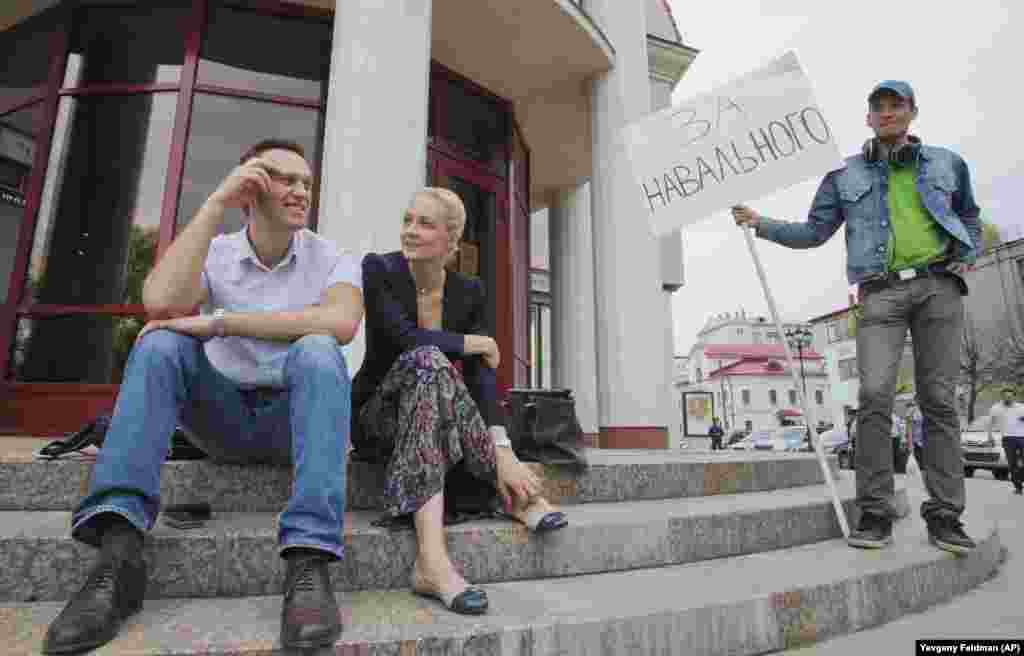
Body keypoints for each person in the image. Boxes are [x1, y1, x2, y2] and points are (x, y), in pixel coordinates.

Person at [42, 139, 364, 654]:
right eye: (285, 179)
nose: (301, 190)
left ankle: (309, 561)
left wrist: (221, 322)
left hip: (289, 423)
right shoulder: (216, 253)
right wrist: (215, 203)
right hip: (220, 421)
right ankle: (119, 558)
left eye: (306, 182)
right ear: (250, 188)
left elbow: (343, 322)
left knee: (320, 350)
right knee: (163, 341)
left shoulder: (333, 259)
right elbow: (161, 302)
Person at [732, 80, 981, 554]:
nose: (887, 113)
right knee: (872, 395)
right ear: (867, 117)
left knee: (939, 400)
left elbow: (969, 215)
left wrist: (969, 253)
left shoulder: (948, 163)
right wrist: (759, 222)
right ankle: (875, 512)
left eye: (896, 106)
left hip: (938, 287)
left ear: (911, 112)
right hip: (880, 294)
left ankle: (946, 516)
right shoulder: (844, 174)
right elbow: (813, 232)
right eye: (878, 108)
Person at [352, 187, 566, 616]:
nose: (410, 231)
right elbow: (402, 338)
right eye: (408, 220)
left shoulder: (469, 292)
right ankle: (505, 508)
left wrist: (503, 448)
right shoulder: (379, 270)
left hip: (436, 422)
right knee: (429, 360)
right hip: (379, 418)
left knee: (445, 376)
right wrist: (474, 341)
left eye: (425, 223)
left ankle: (433, 561)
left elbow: (481, 375)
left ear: (452, 242)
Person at [989, 387, 1024, 494]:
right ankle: (1018, 486)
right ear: (1002, 397)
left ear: (1014, 396)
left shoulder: (1021, 407)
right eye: (1005, 396)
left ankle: (1020, 477)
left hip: (1022, 437)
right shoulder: (996, 408)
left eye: (1010, 396)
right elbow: (991, 422)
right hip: (1008, 438)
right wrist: (989, 436)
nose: (1008, 398)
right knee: (1012, 463)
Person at [906, 400, 925, 466]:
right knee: (919, 462)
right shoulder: (912, 412)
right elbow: (909, 429)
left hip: (923, 441)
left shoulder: (925, 411)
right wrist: (910, 444)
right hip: (917, 441)